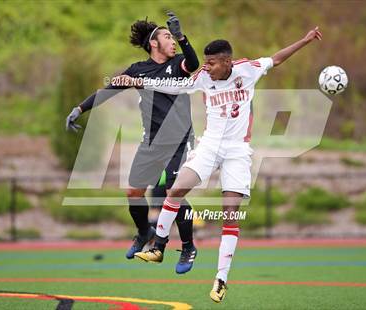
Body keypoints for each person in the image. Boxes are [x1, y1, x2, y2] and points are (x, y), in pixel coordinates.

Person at [132, 26, 322, 302]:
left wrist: (304, 40)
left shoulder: (248, 70)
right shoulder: (202, 78)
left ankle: (221, 279)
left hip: (237, 151)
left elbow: (276, 59)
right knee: (175, 190)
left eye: (211, 62)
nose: (206, 67)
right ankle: (158, 246)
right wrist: (142, 82)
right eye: (205, 62)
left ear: (227, 62)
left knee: (230, 216)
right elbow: (174, 85)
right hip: (209, 145)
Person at [66, 13, 199, 274]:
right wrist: (79, 108)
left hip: (179, 140)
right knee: (133, 194)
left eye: (173, 36)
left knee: (174, 192)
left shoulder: (179, 63)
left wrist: (183, 38)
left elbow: (194, 64)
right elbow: (109, 90)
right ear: (153, 43)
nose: (172, 40)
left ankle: (188, 247)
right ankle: (143, 233)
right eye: (167, 36)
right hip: (151, 142)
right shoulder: (137, 70)